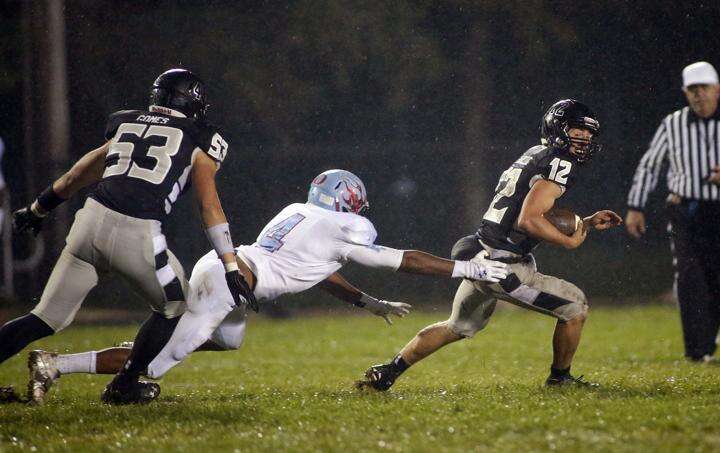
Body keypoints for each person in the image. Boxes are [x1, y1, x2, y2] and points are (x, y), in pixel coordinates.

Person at [24, 169, 509, 404]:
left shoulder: (301, 213)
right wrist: (468, 270)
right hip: (231, 283)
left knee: (225, 340)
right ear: (348, 202)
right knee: (152, 364)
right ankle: (55, 365)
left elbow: (320, 271)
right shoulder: (345, 227)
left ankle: (141, 351)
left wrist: (366, 301)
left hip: (228, 272)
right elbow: (403, 260)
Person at [1, 68, 256, 404]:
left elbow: (79, 173)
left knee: (45, 317)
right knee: (175, 305)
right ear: (193, 102)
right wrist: (231, 265)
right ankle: (125, 384)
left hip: (89, 224)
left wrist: (37, 209)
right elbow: (210, 207)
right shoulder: (199, 137)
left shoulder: (127, 123)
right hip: (137, 232)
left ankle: (124, 382)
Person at [357, 99, 622, 391]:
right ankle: (560, 379)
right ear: (557, 128)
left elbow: (527, 213)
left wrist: (585, 222)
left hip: (481, 255)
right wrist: (569, 241)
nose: (584, 139)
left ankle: (388, 372)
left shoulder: (536, 153)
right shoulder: (560, 162)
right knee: (575, 307)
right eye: (577, 131)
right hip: (502, 267)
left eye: (588, 134)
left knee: (456, 326)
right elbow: (529, 220)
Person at [625, 61, 720, 362]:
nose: (699, 94)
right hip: (687, 210)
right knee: (690, 276)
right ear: (685, 93)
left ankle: (706, 340)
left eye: (704, 88)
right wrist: (635, 206)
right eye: (692, 89)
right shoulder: (673, 123)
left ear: (717, 90)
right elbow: (650, 166)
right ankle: (697, 350)